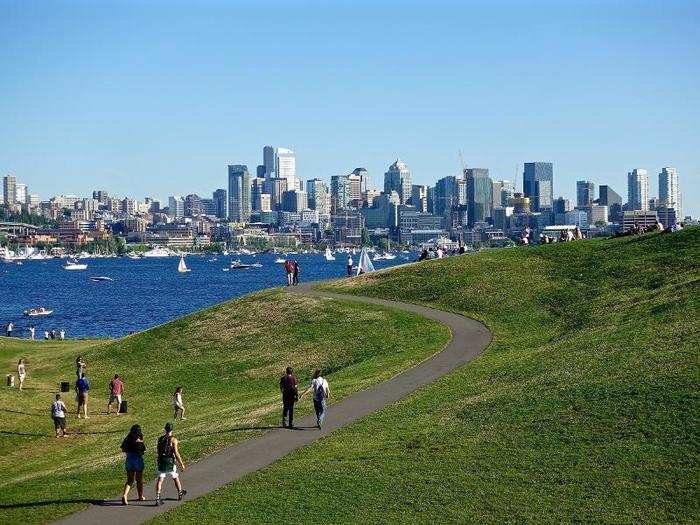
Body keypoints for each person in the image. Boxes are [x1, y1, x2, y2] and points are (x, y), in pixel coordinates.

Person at [155, 423, 187, 506]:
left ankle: (157, 497)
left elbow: (158, 451)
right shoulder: (174, 440)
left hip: (161, 461)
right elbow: (176, 453)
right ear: (172, 430)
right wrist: (181, 464)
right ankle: (180, 492)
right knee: (175, 477)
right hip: (170, 461)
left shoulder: (160, 439)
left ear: (165, 429)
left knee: (160, 479)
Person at [121, 424, 146, 505]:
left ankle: (125, 495)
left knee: (130, 480)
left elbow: (123, 448)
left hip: (129, 460)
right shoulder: (139, 441)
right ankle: (140, 496)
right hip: (138, 460)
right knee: (139, 479)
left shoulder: (127, 439)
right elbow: (142, 452)